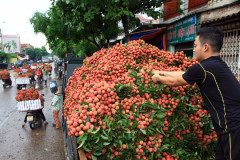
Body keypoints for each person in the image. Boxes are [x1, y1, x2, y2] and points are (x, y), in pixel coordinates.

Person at [152, 27, 240, 160]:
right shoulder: (214, 65)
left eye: (195, 45)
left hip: (233, 129)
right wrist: (160, 72)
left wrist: (158, 78)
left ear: (205, 47)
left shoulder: (204, 68)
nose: (193, 49)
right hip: (228, 129)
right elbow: (184, 74)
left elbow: (176, 81)